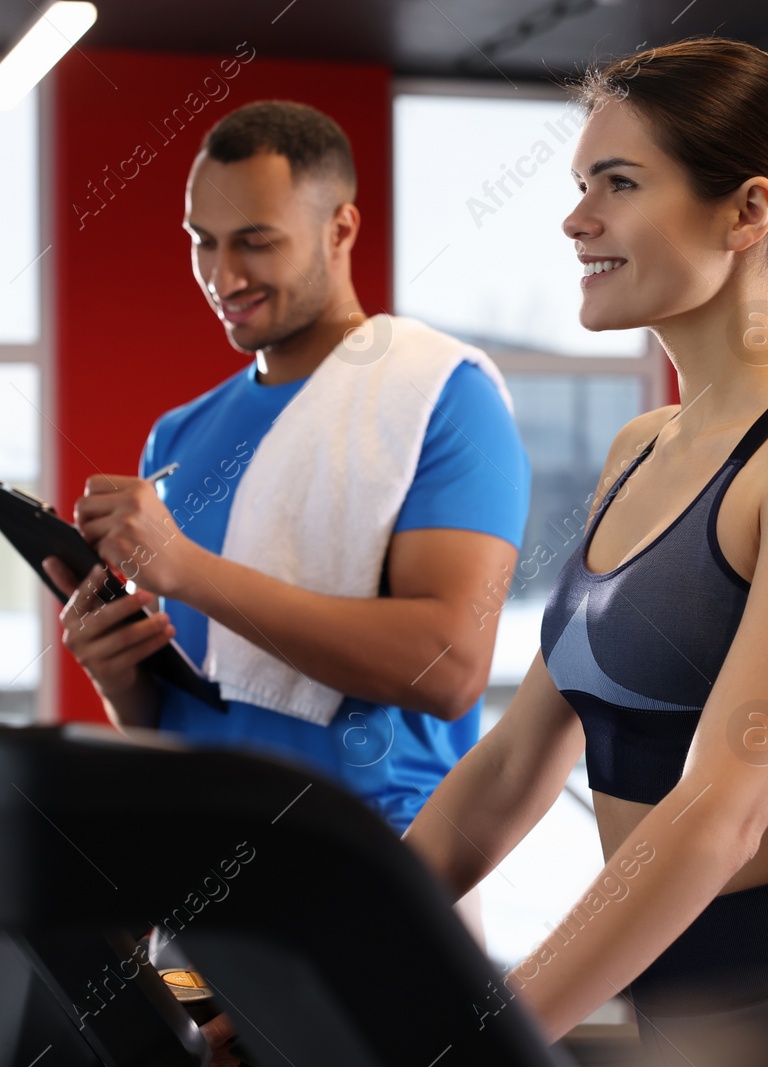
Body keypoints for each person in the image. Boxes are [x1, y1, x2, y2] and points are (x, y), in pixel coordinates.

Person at [395, 37, 768, 1065]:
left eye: (618, 183)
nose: (575, 219)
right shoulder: (637, 448)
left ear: (748, 212)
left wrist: (483, 1034)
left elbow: (721, 809)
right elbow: (515, 760)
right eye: (577, 185)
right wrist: (335, 943)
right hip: (684, 1013)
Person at [42, 101, 530, 953]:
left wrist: (187, 569)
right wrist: (120, 675)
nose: (220, 272)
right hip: (207, 887)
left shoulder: (445, 397)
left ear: (340, 228)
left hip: (376, 880)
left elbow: (450, 665)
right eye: (202, 239)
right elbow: (197, 726)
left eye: (255, 240)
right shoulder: (179, 437)